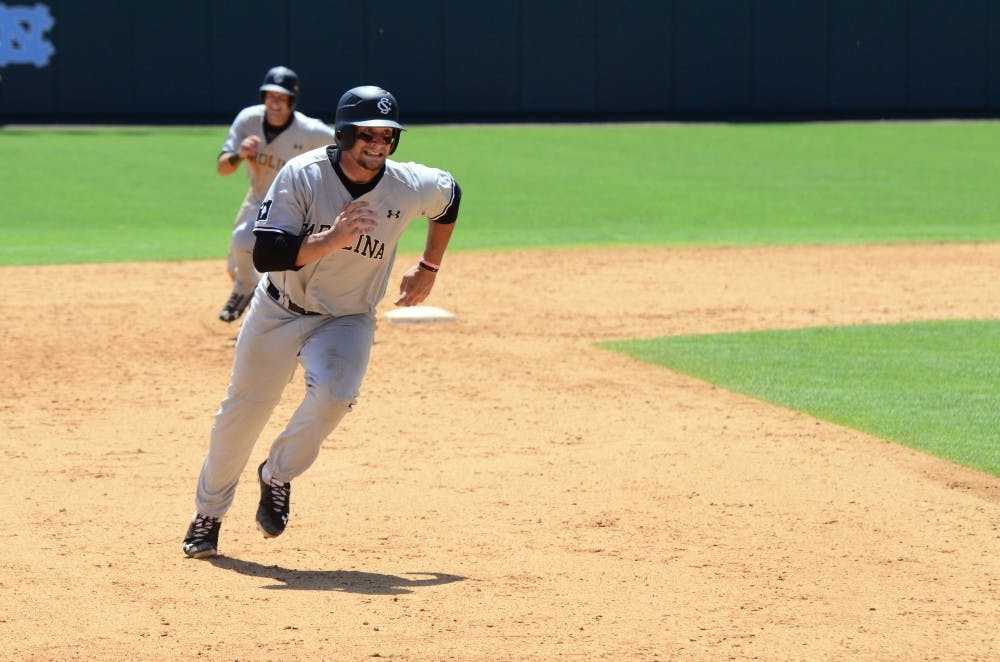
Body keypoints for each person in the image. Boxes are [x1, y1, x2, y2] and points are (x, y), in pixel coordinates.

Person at [183, 85, 462, 558]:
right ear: (344, 132)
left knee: (335, 394)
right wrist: (331, 240)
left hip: (347, 317)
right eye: (368, 134)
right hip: (278, 309)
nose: (378, 144)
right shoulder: (303, 174)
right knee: (242, 414)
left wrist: (429, 267)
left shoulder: (408, 184)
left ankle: (277, 474)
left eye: (388, 136)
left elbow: (451, 196)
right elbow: (269, 253)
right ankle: (208, 514)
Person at [216, 65, 337, 323]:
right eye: (271, 96)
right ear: (263, 98)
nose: (275, 103)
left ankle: (280, 309)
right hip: (258, 198)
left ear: (292, 102)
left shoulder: (309, 130)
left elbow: (345, 147)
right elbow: (222, 168)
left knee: (244, 240)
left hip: (294, 203)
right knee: (235, 266)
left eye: (282, 98)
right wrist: (240, 155)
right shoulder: (248, 120)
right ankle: (257, 300)